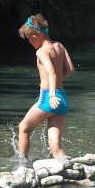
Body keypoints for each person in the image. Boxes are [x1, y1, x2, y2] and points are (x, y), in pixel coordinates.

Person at [17, 14, 75, 160]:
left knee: (23, 128)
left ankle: (22, 165)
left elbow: (52, 73)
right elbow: (71, 70)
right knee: (55, 144)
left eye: (29, 39)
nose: (29, 42)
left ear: (35, 36)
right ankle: (67, 168)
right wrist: (56, 91)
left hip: (49, 98)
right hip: (62, 99)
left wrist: (51, 95)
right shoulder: (59, 46)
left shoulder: (41, 51)